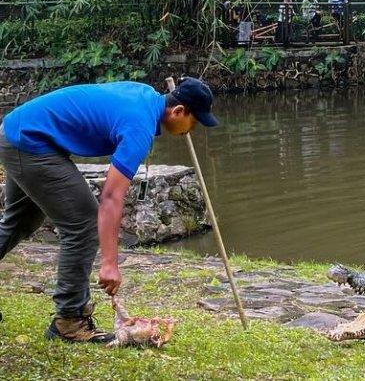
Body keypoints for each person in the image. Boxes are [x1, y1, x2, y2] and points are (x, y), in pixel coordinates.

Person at [0, 79, 219, 342]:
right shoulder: (139, 126)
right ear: (178, 111)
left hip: (17, 130)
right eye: (194, 123)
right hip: (30, 141)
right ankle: (69, 321)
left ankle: (69, 318)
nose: (191, 130)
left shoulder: (146, 96)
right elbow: (112, 197)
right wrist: (109, 264)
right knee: (83, 223)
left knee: (20, 222)